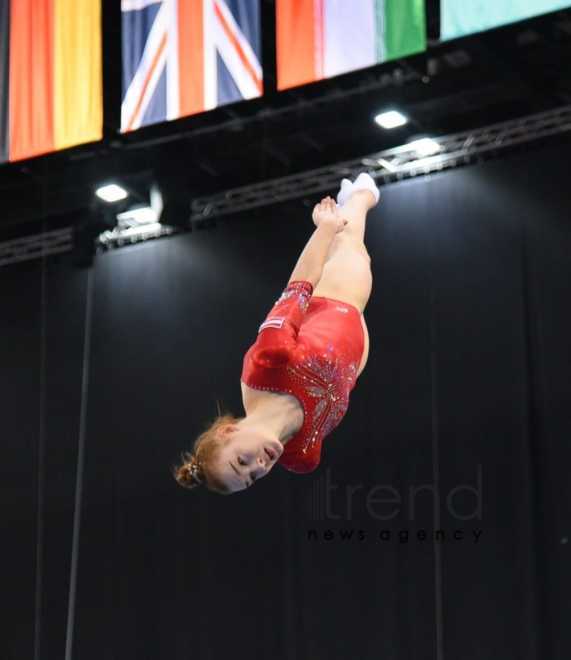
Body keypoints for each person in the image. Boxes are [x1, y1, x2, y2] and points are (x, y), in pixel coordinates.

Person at [174, 173, 380, 494]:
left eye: (241, 461)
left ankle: (359, 197)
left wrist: (323, 230)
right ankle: (347, 210)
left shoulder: (265, 366)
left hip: (333, 299)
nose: (259, 465)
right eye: (253, 476)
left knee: (353, 245)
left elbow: (298, 288)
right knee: (352, 245)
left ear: (227, 432)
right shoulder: (303, 456)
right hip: (353, 354)